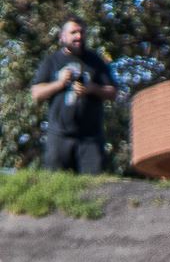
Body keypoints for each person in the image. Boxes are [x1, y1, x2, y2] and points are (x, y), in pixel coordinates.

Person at [30, 16, 117, 174]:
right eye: (73, 32)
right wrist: (60, 83)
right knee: (56, 187)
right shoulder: (52, 61)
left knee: (94, 188)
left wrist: (92, 89)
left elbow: (113, 92)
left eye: (81, 32)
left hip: (90, 138)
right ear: (62, 36)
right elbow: (36, 93)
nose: (78, 36)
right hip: (59, 136)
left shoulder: (95, 61)